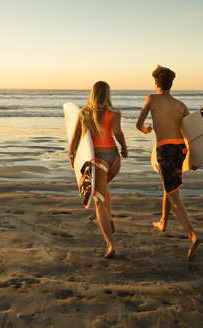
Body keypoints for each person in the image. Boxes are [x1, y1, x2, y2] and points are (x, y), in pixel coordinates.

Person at [135, 65, 199, 261]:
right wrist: (194, 158)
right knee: (168, 185)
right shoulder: (181, 105)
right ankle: (163, 222)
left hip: (165, 150)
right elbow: (190, 133)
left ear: (156, 83)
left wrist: (146, 130)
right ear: (171, 83)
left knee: (174, 195)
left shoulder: (151, 99)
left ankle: (192, 236)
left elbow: (139, 124)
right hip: (180, 150)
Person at [69, 81, 128, 258]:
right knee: (102, 191)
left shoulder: (84, 113)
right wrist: (124, 148)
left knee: (98, 200)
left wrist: (72, 157)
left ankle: (110, 245)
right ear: (107, 94)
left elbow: (75, 138)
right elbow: (117, 132)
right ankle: (108, 219)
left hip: (98, 161)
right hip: (114, 160)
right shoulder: (115, 112)